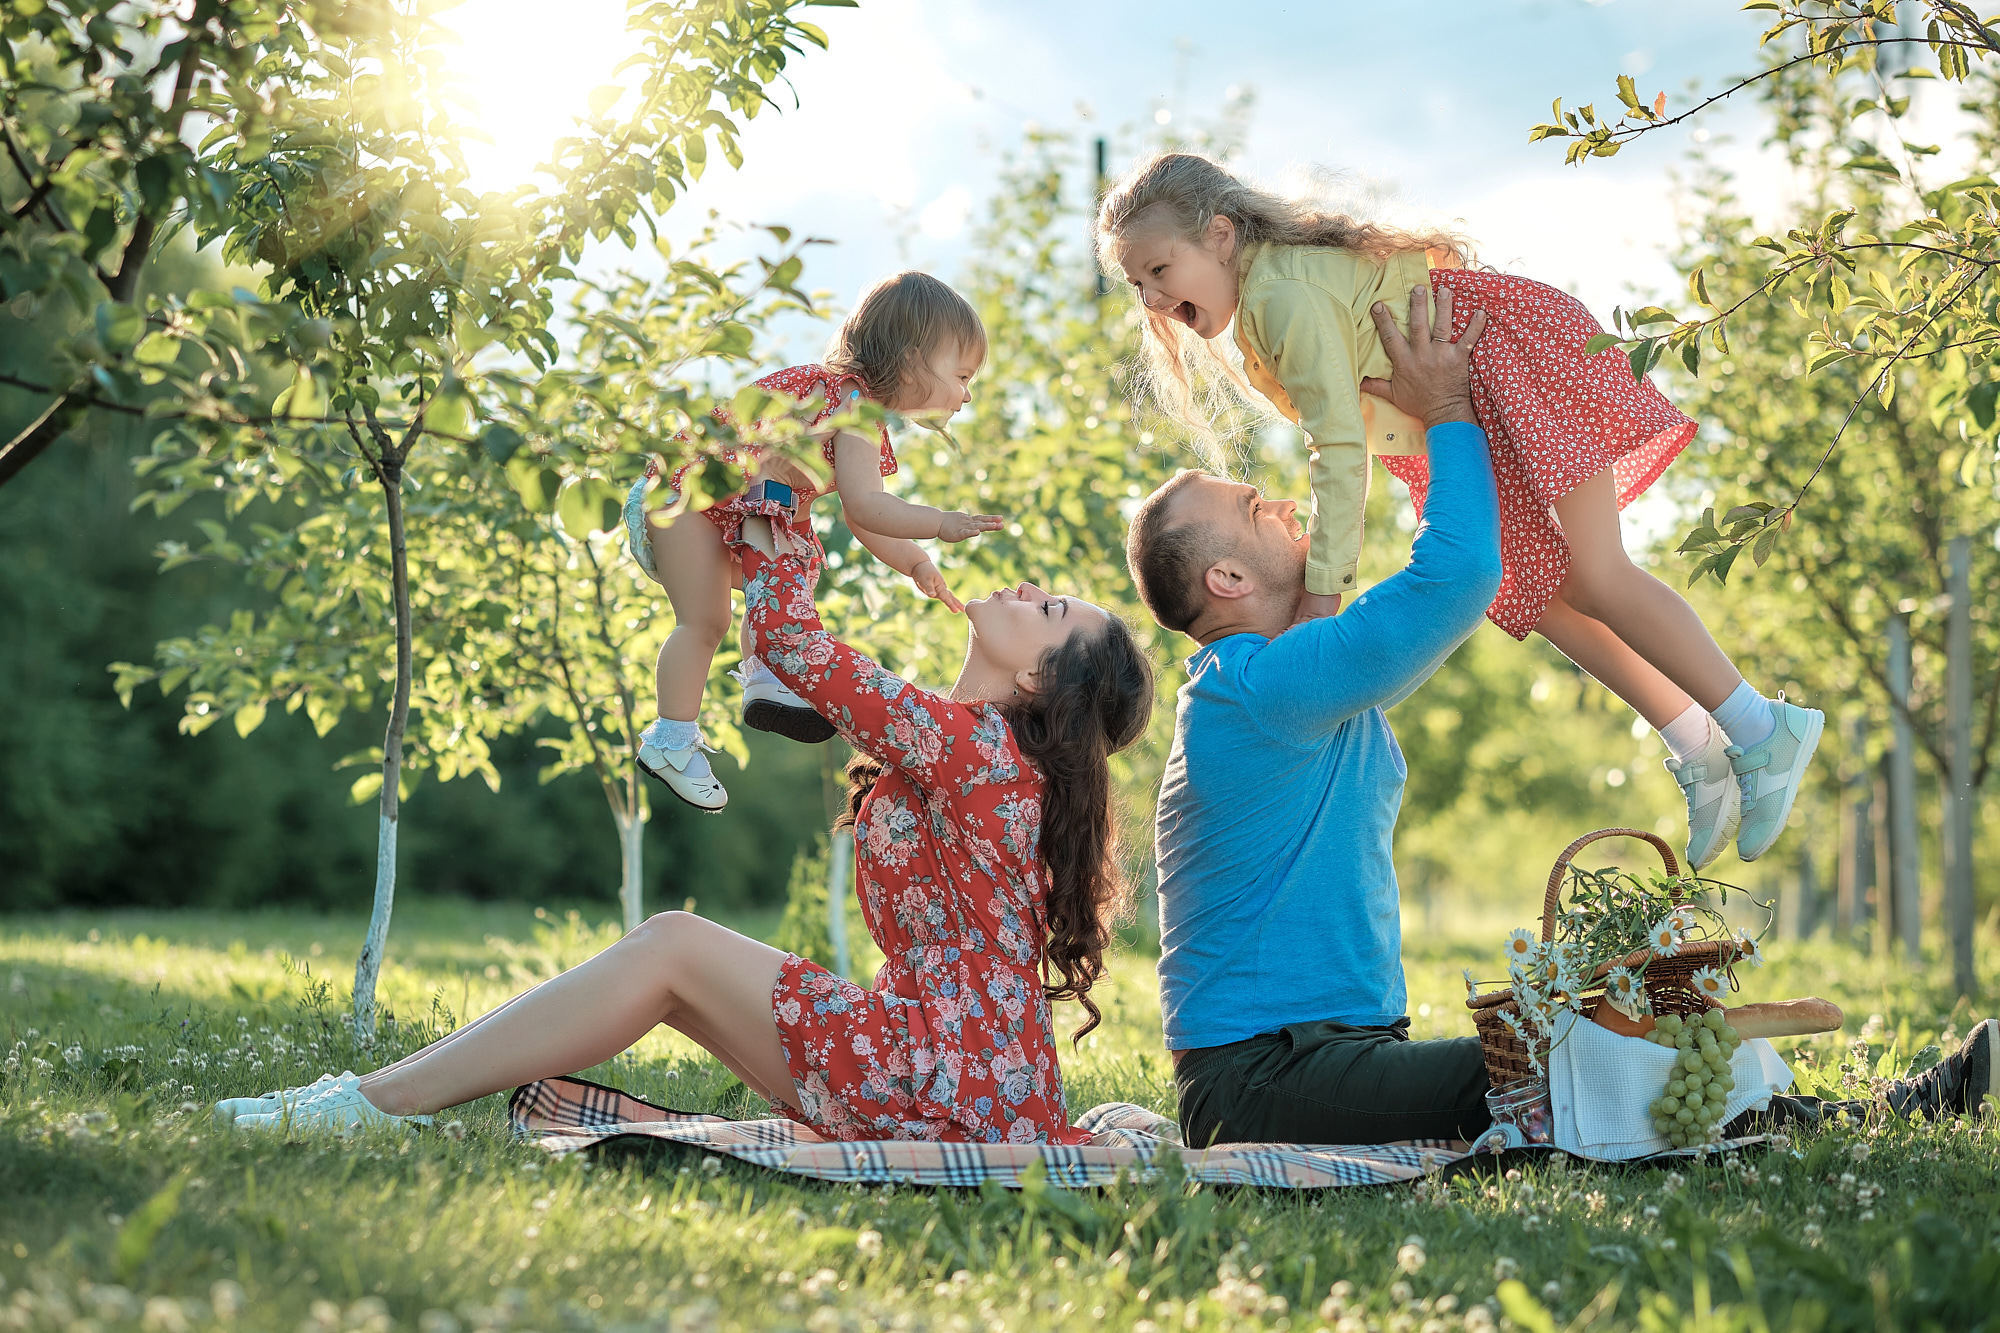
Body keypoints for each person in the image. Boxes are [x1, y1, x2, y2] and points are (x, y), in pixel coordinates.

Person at [1123, 285, 1995, 1149]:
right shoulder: (1260, 688)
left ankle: (1828, 1108)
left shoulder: (1280, 682)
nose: (1280, 502)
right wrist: (1452, 408)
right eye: (1250, 508)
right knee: (1580, 1056)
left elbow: (1429, 579)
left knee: (1596, 1037)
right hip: (1263, 1080)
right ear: (1225, 582)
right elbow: (1459, 575)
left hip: (1318, 1059)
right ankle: (1891, 1109)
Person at [217, 513, 1154, 1144]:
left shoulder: (978, 749)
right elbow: (787, 658)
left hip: (947, 1078)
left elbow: (791, 644)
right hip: (961, 1076)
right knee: (667, 971)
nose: (1031, 586)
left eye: (1051, 607)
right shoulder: (967, 748)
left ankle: (370, 1104)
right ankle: (380, 1097)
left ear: (1039, 681)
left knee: (671, 943)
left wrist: (776, 497)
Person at [1097, 152, 1818, 871]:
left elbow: (1339, 449)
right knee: (1540, 594)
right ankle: (1696, 740)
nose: (1153, 299)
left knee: (1598, 574)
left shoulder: (1278, 297)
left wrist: (1322, 601)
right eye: (1138, 285)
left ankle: (1760, 725)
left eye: (1160, 271)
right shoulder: (1262, 302)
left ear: (1220, 236)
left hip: (1506, 359)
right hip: (1470, 393)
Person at [622, 271, 1005, 812]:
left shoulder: (851, 405)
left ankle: (767, 675)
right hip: (682, 495)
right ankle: (671, 741)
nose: (966, 394)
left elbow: (863, 517)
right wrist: (938, 523)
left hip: (730, 511)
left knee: (788, 565)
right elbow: (866, 506)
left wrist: (915, 562)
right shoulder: (851, 405)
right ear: (914, 356)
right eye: (962, 375)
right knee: (706, 620)